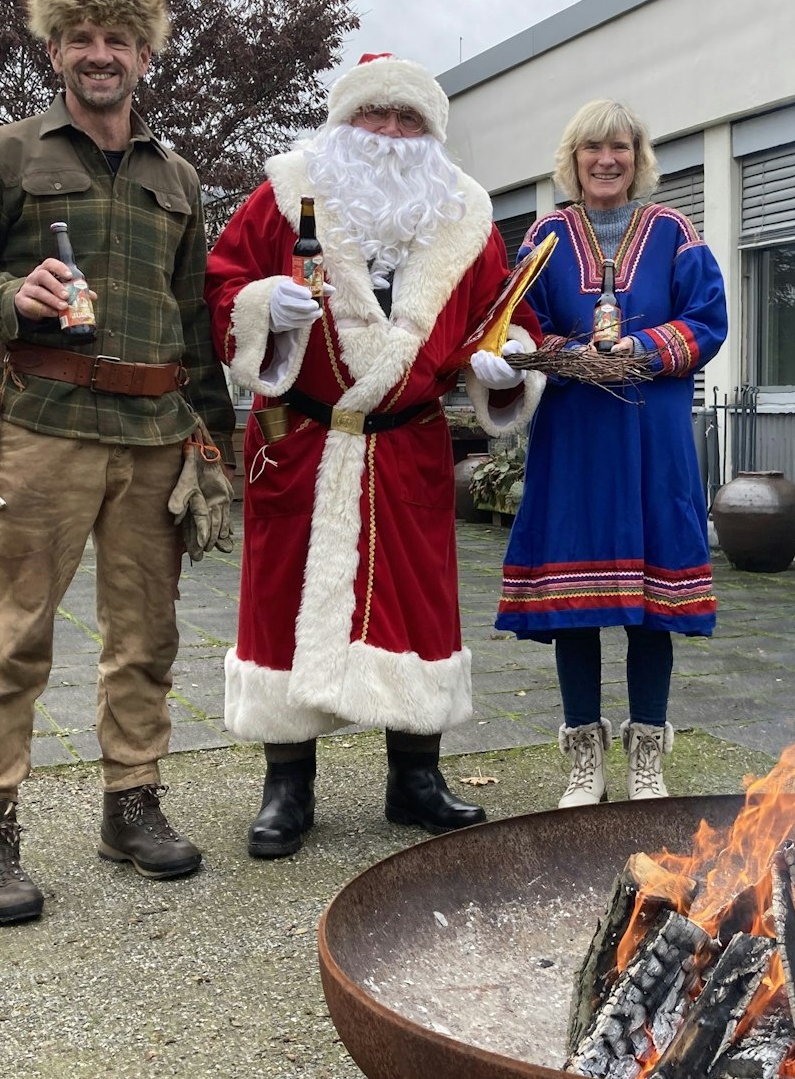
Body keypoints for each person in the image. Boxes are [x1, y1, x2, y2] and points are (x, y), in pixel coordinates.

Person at [0, 0, 235, 925]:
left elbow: (193, 321)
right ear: (54, 50)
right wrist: (7, 298)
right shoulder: (5, 154)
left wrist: (211, 443)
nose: (101, 56)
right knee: (11, 636)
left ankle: (131, 807)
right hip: (44, 429)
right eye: (81, 40)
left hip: (151, 435)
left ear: (146, 55)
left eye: (120, 41)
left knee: (147, 639)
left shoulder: (176, 178)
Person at [206, 52, 545, 858]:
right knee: (283, 601)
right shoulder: (286, 194)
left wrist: (504, 361)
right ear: (343, 123)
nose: (390, 134)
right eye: (374, 116)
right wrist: (262, 306)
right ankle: (287, 786)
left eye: (408, 119)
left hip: (408, 446)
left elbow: (498, 317)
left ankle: (415, 778)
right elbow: (222, 285)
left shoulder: (465, 216)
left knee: (418, 601)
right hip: (302, 438)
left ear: (431, 133)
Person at [496, 100, 727, 807]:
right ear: (574, 156)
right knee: (577, 599)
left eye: (620, 146)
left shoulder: (674, 232)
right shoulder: (544, 235)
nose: (607, 158)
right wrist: (569, 355)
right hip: (575, 441)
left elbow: (709, 318)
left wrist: (647, 348)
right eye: (594, 146)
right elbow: (518, 323)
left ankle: (647, 755)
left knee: (653, 604)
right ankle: (584, 759)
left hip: (653, 443)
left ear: (638, 155)